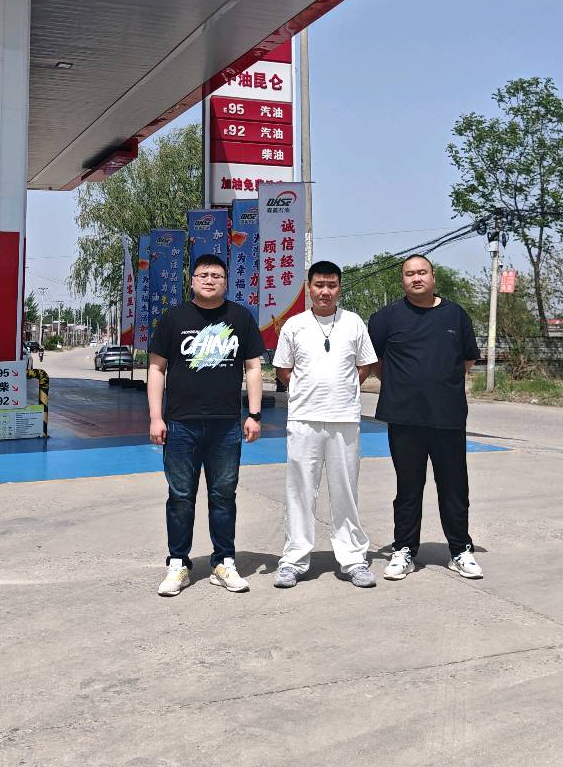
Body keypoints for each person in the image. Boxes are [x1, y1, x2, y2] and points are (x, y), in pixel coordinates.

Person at [148, 253, 265, 597]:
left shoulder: (240, 318)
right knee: (181, 496)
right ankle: (178, 563)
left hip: (226, 425)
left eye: (216, 275)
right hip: (180, 424)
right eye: (203, 275)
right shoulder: (174, 318)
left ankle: (223, 562)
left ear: (226, 282)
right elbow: (156, 368)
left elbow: (253, 367)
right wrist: (156, 417)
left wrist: (254, 414)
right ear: (192, 281)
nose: (210, 280)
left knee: (223, 495)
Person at [369, 255, 483, 580]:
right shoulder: (385, 318)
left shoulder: (455, 314)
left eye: (422, 272)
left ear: (433, 277)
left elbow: (467, 360)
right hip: (404, 417)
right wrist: (402, 384)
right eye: (409, 274)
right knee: (408, 487)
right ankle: (404, 550)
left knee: (454, 486)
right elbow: (373, 361)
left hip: (447, 416)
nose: (416, 278)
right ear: (402, 280)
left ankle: (460, 550)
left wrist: (438, 384)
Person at [272, 261, 379, 590]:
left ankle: (353, 558)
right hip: (303, 419)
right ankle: (294, 560)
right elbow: (283, 370)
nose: (325, 291)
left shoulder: (353, 322)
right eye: (319, 285)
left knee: (345, 491)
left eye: (331, 285)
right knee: (300, 491)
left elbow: (366, 364)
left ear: (339, 288)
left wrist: (345, 389)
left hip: (344, 419)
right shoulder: (294, 325)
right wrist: (305, 392)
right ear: (309, 288)